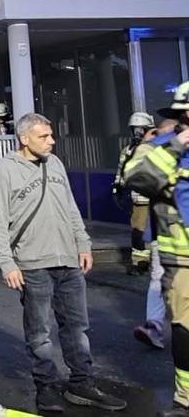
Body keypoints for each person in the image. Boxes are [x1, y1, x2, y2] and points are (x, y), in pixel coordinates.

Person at [0, 113, 126, 412]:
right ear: (24, 139)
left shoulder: (55, 164)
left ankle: (81, 383)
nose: (52, 141)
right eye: (44, 137)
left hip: (68, 261)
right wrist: (7, 263)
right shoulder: (5, 170)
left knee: (77, 328)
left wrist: (83, 243)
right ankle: (46, 387)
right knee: (39, 334)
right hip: (32, 264)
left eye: (51, 135)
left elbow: (71, 208)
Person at [124, 82, 189, 417]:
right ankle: (185, 398)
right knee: (185, 329)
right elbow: (137, 179)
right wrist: (177, 146)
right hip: (182, 262)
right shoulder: (160, 146)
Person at [135, 117, 180, 350]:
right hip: (164, 234)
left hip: (167, 233)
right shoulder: (158, 152)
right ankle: (154, 326)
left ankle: (155, 326)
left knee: (159, 280)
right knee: (159, 279)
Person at [117, 112, 158, 275]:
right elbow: (122, 171)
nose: (138, 133)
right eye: (135, 129)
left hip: (157, 198)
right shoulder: (128, 151)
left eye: (141, 129)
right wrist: (118, 187)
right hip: (139, 199)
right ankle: (140, 262)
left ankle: (160, 261)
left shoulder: (158, 148)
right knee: (138, 231)